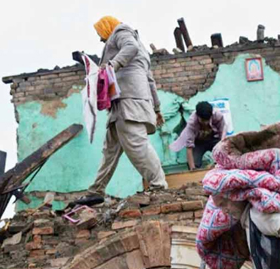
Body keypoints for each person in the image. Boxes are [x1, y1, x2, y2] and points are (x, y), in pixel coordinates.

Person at [88, 16, 168, 194]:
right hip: (121, 103)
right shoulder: (142, 50)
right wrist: (157, 108)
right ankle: (95, 191)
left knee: (137, 144)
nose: (101, 38)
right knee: (109, 151)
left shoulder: (121, 32)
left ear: (106, 27)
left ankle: (159, 185)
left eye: (100, 33)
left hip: (129, 100)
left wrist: (111, 66)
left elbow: (129, 47)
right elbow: (150, 81)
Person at [170, 101, 226, 170]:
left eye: (207, 120)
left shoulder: (218, 115)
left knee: (224, 154)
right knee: (194, 163)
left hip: (214, 140)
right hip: (198, 143)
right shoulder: (192, 122)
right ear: (197, 115)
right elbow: (189, 147)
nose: (205, 123)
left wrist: (218, 160)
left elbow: (222, 137)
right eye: (202, 120)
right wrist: (192, 169)